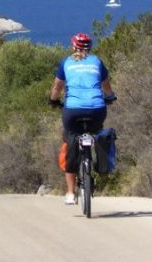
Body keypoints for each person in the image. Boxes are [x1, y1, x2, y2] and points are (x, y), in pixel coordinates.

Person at [49, 32, 116, 205]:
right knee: (97, 132)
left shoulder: (66, 63)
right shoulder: (97, 62)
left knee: (71, 140)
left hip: (72, 110)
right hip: (97, 110)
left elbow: (57, 86)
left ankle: (70, 193)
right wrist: (110, 97)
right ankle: (100, 162)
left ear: (73, 47)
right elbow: (106, 85)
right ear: (90, 47)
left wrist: (53, 101)